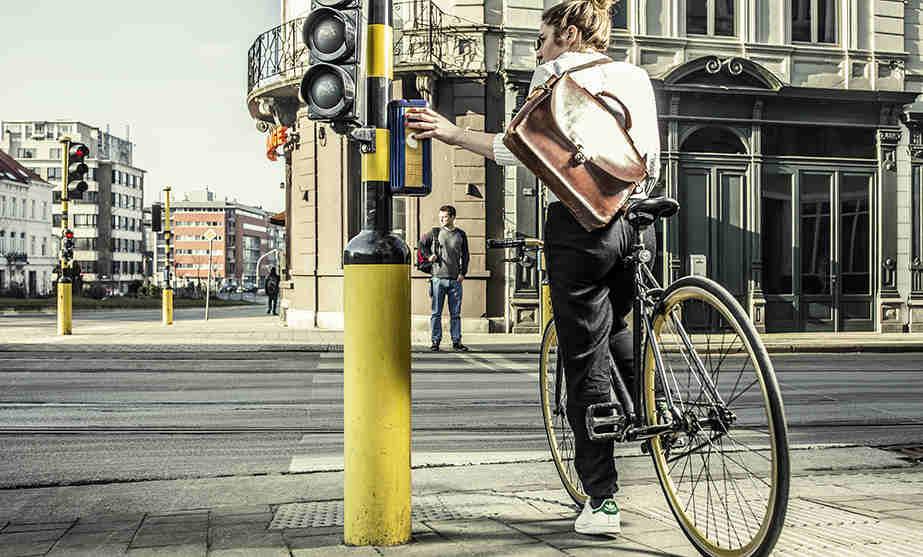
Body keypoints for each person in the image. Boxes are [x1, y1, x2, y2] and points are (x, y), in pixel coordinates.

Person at [405, 0, 659, 536]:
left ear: (568, 34)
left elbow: (515, 150)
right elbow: (649, 160)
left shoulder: (552, 75)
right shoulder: (636, 75)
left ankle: (603, 502)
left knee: (583, 358)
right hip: (639, 221)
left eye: (543, 38)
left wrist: (450, 133)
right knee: (622, 332)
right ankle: (654, 420)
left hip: (581, 226)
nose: (538, 50)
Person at [419, 205, 470, 352]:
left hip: (455, 279)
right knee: (436, 313)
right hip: (437, 279)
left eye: (445, 217)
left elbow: (465, 255)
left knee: (455, 314)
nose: (441, 219)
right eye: (440, 217)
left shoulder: (461, 234)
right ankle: (435, 342)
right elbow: (421, 245)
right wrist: (429, 256)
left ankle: (456, 341)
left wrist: (463, 273)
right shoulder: (435, 233)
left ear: (453, 217)